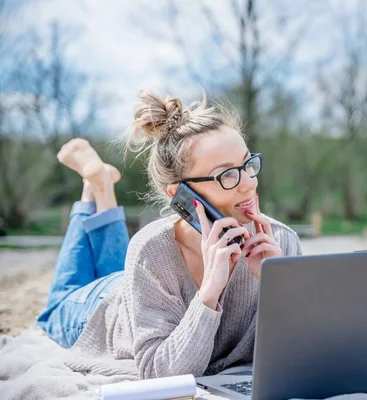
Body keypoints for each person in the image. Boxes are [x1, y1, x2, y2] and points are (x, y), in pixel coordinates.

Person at [36, 91, 302, 379]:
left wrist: (279, 284)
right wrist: (208, 293)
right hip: (104, 309)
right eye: (227, 175)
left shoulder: (281, 242)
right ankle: (96, 186)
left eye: (248, 164)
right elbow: (161, 373)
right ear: (181, 194)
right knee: (56, 308)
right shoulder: (151, 251)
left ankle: (101, 184)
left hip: (139, 285)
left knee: (120, 267)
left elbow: (305, 345)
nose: (249, 183)